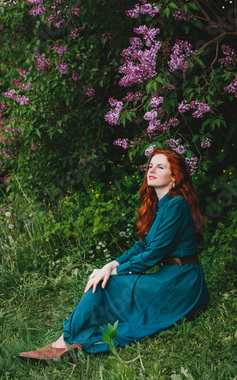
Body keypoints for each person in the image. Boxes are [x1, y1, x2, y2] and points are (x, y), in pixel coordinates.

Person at [19, 148, 209, 361]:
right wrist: (110, 265)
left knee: (107, 284)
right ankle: (72, 344)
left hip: (182, 281)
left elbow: (153, 255)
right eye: (150, 166)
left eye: (161, 167)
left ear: (174, 176)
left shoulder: (177, 204)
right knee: (105, 279)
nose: (152, 170)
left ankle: (62, 343)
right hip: (169, 276)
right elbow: (141, 247)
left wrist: (116, 272)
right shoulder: (159, 206)